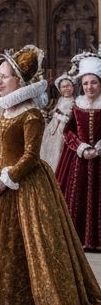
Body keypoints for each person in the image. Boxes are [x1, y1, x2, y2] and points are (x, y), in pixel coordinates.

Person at [0, 45, 101, 305]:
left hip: (26, 185)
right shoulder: (8, 109)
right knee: (3, 244)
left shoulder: (30, 114)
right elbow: (1, 151)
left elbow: (30, 156)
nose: (0, 80)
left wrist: (5, 180)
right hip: (2, 184)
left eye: (5, 76)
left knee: (34, 245)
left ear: (20, 80)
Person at [55, 55, 101, 252]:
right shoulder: (77, 104)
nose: (89, 87)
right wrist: (81, 148)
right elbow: (68, 131)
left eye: (94, 83)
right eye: (86, 83)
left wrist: (98, 147)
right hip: (79, 161)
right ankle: (78, 239)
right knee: (77, 197)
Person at [41, 72, 76, 171]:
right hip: (53, 127)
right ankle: (47, 166)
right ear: (60, 89)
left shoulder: (74, 102)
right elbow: (56, 109)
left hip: (63, 128)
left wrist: (61, 116)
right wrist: (52, 112)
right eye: (63, 87)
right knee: (49, 146)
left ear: (72, 87)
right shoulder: (61, 99)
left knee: (58, 149)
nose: (66, 89)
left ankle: (57, 169)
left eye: (68, 86)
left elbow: (70, 117)